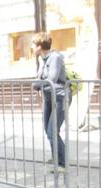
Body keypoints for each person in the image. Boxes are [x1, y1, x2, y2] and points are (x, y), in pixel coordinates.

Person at [32, 32, 67, 173]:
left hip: (60, 97)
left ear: (40, 46)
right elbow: (40, 78)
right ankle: (56, 156)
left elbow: (51, 79)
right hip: (48, 97)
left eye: (33, 45)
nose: (32, 47)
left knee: (53, 131)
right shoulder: (42, 58)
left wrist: (36, 85)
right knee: (48, 130)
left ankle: (62, 163)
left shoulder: (55, 57)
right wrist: (38, 83)